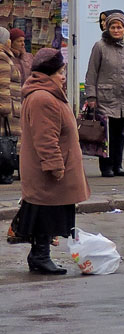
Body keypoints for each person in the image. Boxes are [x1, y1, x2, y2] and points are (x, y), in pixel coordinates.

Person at [13, 48, 90, 275]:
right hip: (48, 169)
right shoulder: (42, 97)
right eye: (60, 72)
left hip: (53, 166)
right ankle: (40, 256)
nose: (63, 76)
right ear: (48, 73)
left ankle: (40, 255)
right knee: (45, 213)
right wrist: (55, 165)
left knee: (48, 212)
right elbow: (45, 138)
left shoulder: (47, 93)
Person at [85, 10, 124, 178]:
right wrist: (91, 96)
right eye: (113, 27)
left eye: (119, 27)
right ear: (107, 28)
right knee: (106, 135)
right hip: (105, 97)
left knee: (120, 134)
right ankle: (106, 166)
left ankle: (118, 165)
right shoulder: (100, 47)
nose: (116, 30)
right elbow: (92, 72)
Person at [0, 28, 21, 185]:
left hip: (10, 107)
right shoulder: (3, 57)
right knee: (6, 142)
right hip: (7, 110)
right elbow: (3, 84)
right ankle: (5, 173)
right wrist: (5, 107)